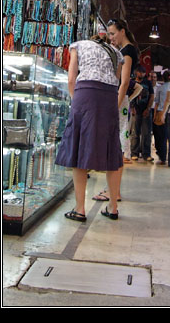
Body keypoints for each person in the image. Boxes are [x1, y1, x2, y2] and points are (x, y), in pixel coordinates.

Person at [55, 34, 124, 221]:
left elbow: (71, 78)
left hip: (86, 92)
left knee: (79, 145)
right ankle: (113, 207)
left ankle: (80, 209)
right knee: (112, 147)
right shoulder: (117, 53)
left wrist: (75, 100)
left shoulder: (78, 45)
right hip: (109, 96)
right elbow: (116, 81)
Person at [107, 19, 140, 163]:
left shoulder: (128, 50)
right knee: (118, 129)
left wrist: (117, 103)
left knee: (119, 130)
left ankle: (117, 165)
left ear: (122, 32)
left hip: (119, 96)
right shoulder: (123, 50)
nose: (111, 37)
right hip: (119, 95)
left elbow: (125, 81)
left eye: (113, 33)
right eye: (109, 34)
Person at [130, 65, 155, 161]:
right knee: (135, 132)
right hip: (135, 110)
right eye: (140, 72)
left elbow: (152, 96)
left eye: (143, 72)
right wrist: (132, 107)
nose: (142, 74)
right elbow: (129, 95)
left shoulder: (148, 83)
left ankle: (146, 154)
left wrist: (148, 108)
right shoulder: (131, 82)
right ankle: (134, 153)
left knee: (146, 133)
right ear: (136, 73)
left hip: (146, 110)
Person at [152, 69, 170, 164]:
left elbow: (156, 103)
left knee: (161, 135)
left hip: (160, 112)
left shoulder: (160, 88)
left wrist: (155, 114)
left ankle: (162, 156)